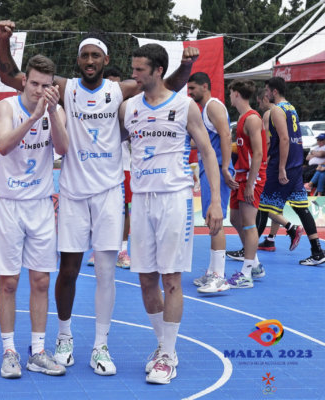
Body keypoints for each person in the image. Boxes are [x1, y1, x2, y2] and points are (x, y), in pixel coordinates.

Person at [0, 20, 199, 375]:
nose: (89, 60)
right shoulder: (64, 88)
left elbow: (165, 84)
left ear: (106, 59)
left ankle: (100, 346)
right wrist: (4, 41)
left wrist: (186, 65)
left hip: (109, 193)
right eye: (84, 55)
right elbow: (11, 76)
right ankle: (64, 337)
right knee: (68, 270)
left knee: (106, 272)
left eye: (95, 55)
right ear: (78, 60)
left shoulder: (121, 90)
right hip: (73, 192)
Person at [121, 43, 223, 385]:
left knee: (171, 280)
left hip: (175, 200)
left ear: (158, 71)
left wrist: (214, 201)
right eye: (133, 68)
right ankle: (164, 345)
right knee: (146, 280)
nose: (134, 75)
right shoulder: (128, 108)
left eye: (139, 69)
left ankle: (167, 355)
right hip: (141, 201)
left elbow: (207, 152)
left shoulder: (184, 106)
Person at [0, 54, 69, 379]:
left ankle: (37, 351)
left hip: (40, 204)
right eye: (34, 83)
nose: (39, 90)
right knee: (9, 282)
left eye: (46, 85)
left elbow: (63, 149)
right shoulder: (6, 107)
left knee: (41, 280)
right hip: (9, 204)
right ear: (24, 81)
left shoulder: (55, 111)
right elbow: (4, 145)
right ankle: (9, 351)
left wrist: (50, 113)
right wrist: (34, 116)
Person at [255, 77, 324, 266]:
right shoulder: (291, 108)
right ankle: (317, 251)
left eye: (267, 91)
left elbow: (284, 139)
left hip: (283, 165)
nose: (265, 94)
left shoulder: (276, 110)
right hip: (295, 165)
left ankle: (248, 251)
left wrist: (280, 167)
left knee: (263, 206)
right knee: (301, 208)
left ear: (274, 91)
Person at [187, 72, 234, 293]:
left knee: (216, 221)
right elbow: (204, 141)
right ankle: (213, 271)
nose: (190, 92)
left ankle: (219, 276)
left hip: (217, 169)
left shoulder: (213, 106)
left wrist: (225, 167)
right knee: (210, 219)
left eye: (193, 88)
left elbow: (226, 135)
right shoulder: (204, 109)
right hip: (209, 169)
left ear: (205, 86)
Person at [87, 65, 131, 269]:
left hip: (124, 164)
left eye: (117, 84)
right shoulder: (93, 103)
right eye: (110, 83)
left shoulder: (127, 105)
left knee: (124, 209)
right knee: (97, 209)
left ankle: (122, 250)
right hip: (98, 164)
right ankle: (98, 249)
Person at [226, 79, 268, 289]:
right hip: (241, 175)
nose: (229, 97)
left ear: (236, 94)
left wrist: (251, 183)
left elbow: (258, 153)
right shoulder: (242, 118)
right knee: (234, 218)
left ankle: (246, 273)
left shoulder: (252, 118)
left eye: (230, 93)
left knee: (250, 224)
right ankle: (256, 264)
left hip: (253, 176)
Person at [255, 88, 280, 252]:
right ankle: (271, 239)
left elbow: (267, 141)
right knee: (276, 203)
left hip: (271, 162)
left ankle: (290, 227)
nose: (259, 106)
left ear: (265, 98)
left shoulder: (268, 114)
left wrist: (262, 161)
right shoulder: (285, 112)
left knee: (262, 204)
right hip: (283, 163)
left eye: (259, 102)